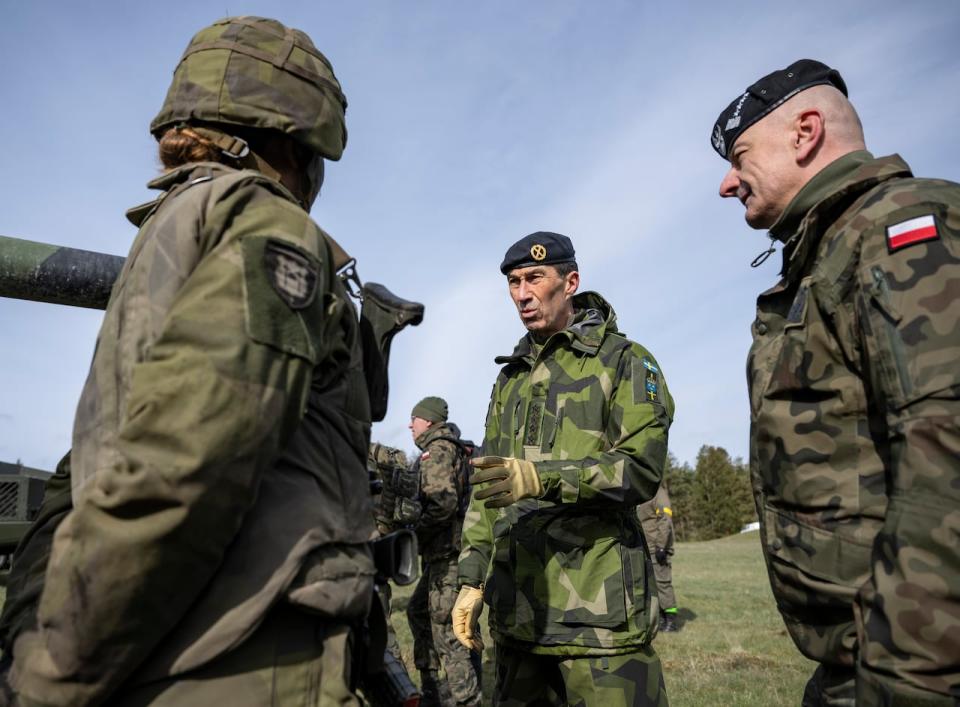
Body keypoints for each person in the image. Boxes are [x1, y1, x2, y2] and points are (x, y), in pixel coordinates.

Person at [4, 16, 376, 706]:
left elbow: (89, 470)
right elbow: (184, 464)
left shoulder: (175, 229)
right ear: (297, 138)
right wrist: (49, 678)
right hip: (231, 661)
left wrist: (36, 635)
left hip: (151, 647)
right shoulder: (265, 223)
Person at [713, 59, 960, 705]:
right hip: (865, 661)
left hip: (914, 668)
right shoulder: (831, 252)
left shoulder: (902, 230)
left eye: (740, 156)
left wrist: (907, 681)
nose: (726, 183)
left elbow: (946, 466)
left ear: (806, 132)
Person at [454, 232, 675, 706]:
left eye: (535, 278)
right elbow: (486, 487)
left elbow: (640, 468)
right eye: (513, 282)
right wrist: (471, 577)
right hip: (520, 620)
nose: (521, 293)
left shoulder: (625, 362)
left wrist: (541, 478)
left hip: (600, 624)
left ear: (570, 281)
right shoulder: (510, 376)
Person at [404, 397, 482, 707]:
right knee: (418, 612)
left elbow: (442, 504)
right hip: (444, 555)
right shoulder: (447, 447)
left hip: (448, 555)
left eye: (415, 419)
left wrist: (413, 530)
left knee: (447, 630)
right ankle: (432, 689)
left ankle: (466, 700)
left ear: (429, 420)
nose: (410, 425)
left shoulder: (436, 451)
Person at [636, 484, 678, 632]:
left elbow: (665, 519)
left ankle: (671, 620)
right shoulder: (643, 493)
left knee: (662, 584)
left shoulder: (659, 493)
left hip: (657, 549)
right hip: (645, 548)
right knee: (651, 586)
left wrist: (661, 546)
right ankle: (659, 617)